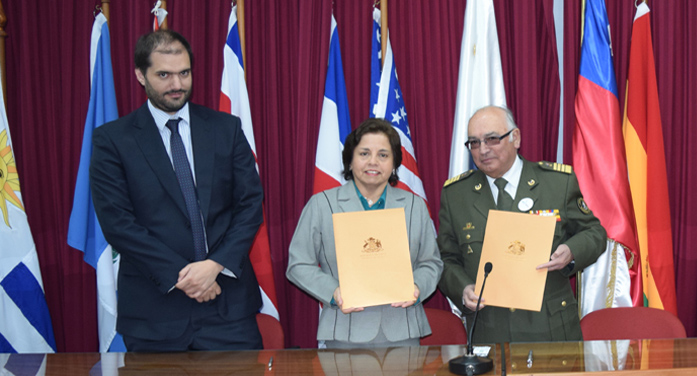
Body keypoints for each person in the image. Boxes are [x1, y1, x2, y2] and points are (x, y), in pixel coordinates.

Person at [89, 30, 264, 351]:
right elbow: (118, 223)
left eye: (184, 73)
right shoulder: (112, 140)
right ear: (140, 75)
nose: (177, 85)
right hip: (154, 312)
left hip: (227, 308)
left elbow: (250, 205)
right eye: (164, 75)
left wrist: (214, 266)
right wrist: (184, 277)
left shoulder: (226, 128)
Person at [437, 105, 606, 343]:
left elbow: (594, 233)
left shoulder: (557, 183)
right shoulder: (456, 195)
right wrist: (463, 289)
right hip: (490, 328)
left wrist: (571, 251)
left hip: (550, 326)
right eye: (474, 143)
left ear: (515, 137)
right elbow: (446, 258)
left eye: (492, 139)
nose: (482, 150)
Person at [286, 118, 442, 348]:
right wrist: (334, 292)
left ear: (394, 164)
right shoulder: (322, 205)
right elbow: (298, 264)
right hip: (344, 330)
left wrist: (417, 287)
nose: (373, 162)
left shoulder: (414, 206)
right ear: (349, 161)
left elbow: (432, 263)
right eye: (364, 153)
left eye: (383, 155)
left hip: (403, 331)